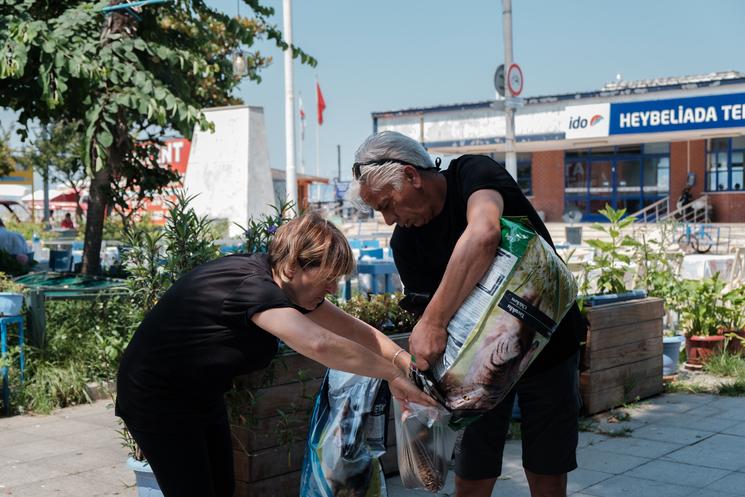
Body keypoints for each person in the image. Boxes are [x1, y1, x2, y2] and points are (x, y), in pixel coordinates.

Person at [115, 212, 435, 497]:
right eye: (327, 279)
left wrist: (408, 367)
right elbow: (319, 344)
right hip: (156, 395)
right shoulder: (255, 288)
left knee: (222, 488)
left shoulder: (284, 286)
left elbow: (357, 332)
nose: (334, 289)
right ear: (294, 265)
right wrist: (390, 375)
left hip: (199, 393)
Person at [349, 131, 587, 497]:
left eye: (387, 204)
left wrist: (433, 321)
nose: (388, 219)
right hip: (479, 368)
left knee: (548, 466)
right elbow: (429, 334)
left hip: (549, 342)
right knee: (474, 466)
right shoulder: (405, 243)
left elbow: (484, 232)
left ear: (412, 176)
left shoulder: (474, 175)